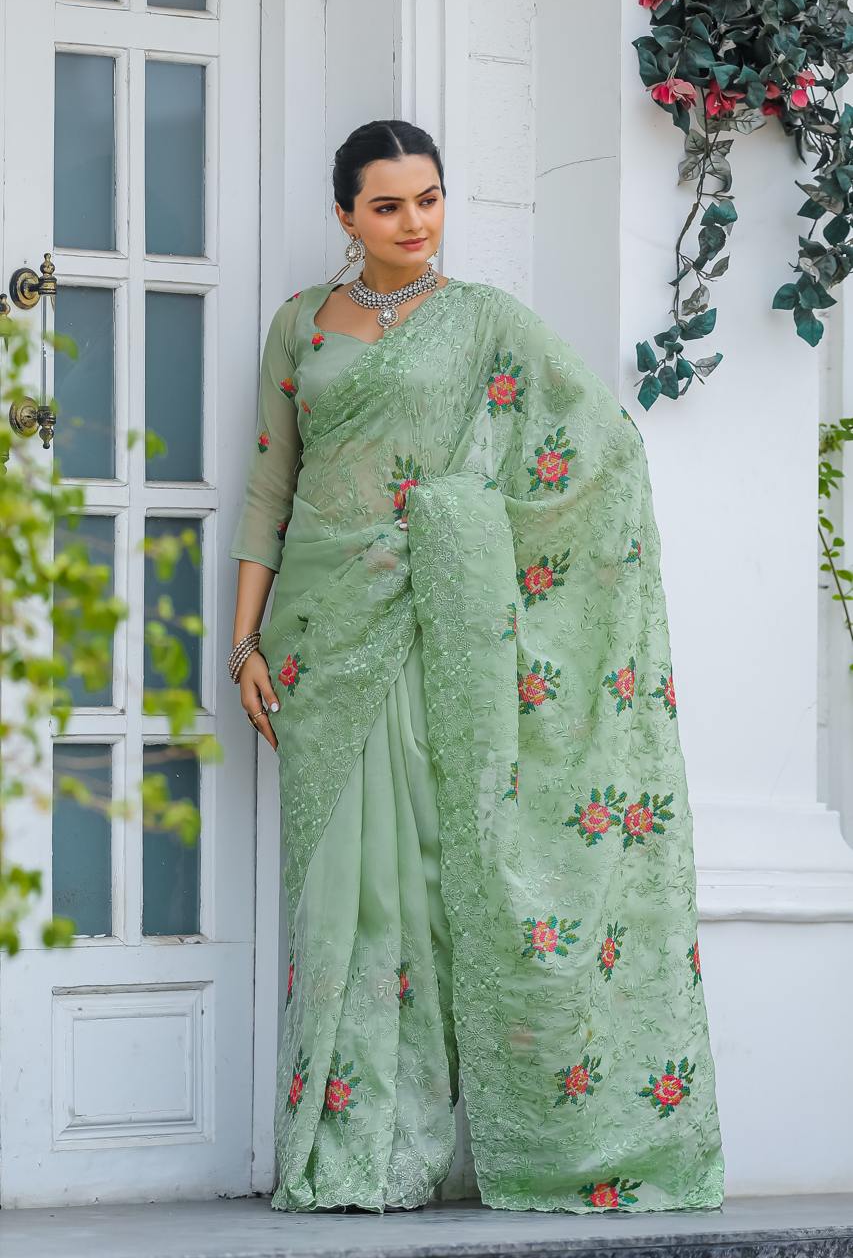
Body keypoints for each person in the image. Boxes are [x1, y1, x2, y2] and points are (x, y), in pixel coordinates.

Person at [228, 119, 725, 1215]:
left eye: (430, 198)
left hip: (428, 620)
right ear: (346, 215)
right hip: (318, 629)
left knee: (418, 880)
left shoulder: (487, 321)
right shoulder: (300, 325)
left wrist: (458, 520)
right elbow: (270, 484)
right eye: (388, 205)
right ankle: (340, 1149)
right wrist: (244, 641)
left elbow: (601, 446)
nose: (415, 222)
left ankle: (408, 1150)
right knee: (336, 891)